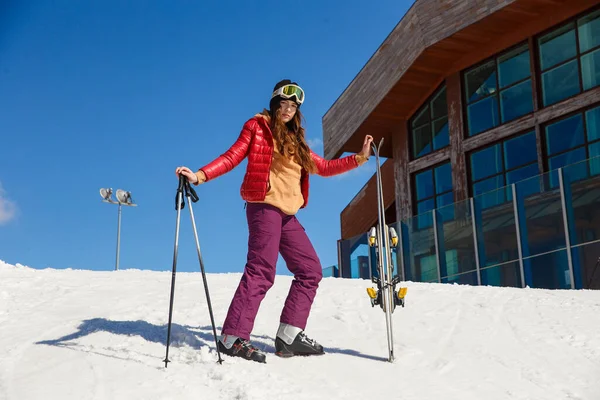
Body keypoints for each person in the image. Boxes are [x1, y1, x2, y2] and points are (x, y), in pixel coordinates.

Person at [175, 79, 373, 363]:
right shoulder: (257, 127)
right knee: (261, 271)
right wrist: (200, 175)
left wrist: (359, 158)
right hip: (264, 207)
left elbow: (324, 167)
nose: (289, 110)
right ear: (275, 103)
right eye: (285, 104)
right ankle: (232, 337)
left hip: (288, 214)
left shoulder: (298, 140)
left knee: (310, 270)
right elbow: (233, 156)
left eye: (294, 106)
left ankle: (289, 335)